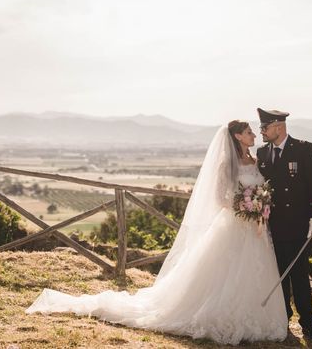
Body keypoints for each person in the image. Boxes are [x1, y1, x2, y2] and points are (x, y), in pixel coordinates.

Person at [26, 121, 288, 345]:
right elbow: (220, 198)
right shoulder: (225, 164)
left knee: (253, 272)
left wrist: (259, 206)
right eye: (249, 132)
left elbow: (262, 188)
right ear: (237, 136)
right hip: (232, 226)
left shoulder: (255, 160)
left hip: (255, 230)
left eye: (254, 132)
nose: (254, 135)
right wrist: (244, 206)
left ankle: (258, 318)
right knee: (225, 274)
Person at [256, 108, 312, 340]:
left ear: (278, 127)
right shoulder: (262, 153)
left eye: (264, 128)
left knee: (299, 276)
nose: (261, 133)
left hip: (298, 225)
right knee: (279, 275)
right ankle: (282, 320)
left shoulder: (304, 149)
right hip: (272, 227)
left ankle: (308, 323)